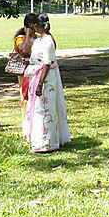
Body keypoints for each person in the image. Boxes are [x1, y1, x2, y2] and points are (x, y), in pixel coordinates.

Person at [23, 13, 70, 153]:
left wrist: (40, 84)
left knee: (46, 110)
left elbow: (47, 63)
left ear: (37, 26)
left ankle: (47, 141)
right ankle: (37, 139)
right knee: (37, 110)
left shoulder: (48, 41)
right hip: (36, 75)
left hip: (46, 79)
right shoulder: (38, 41)